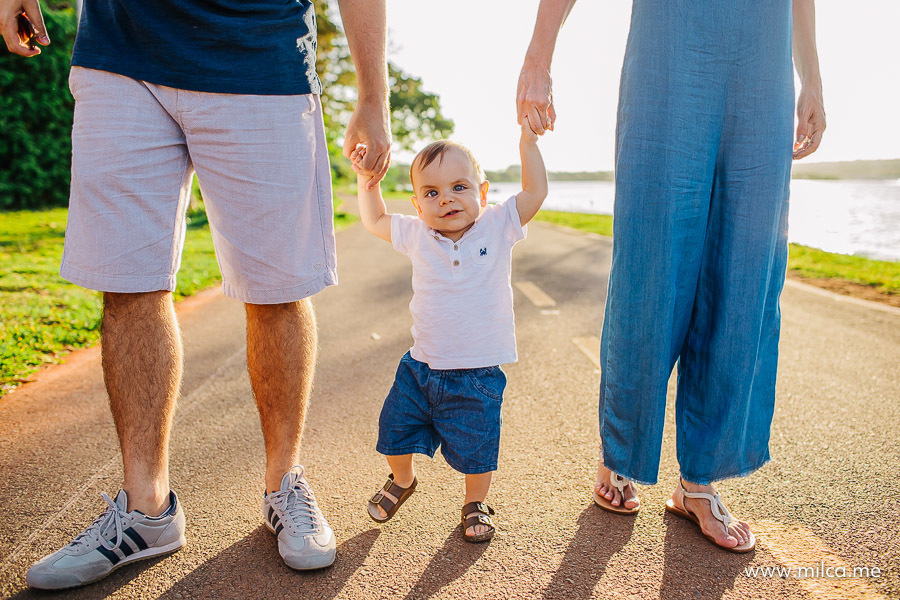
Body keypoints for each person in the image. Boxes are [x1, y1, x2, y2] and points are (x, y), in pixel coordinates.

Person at [1, 0, 391, 588]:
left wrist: (372, 95)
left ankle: (284, 484)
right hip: (121, 53)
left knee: (277, 289)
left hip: (260, 59)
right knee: (129, 284)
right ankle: (145, 510)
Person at [518, 0, 825, 552]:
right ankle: (622, 451)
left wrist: (813, 81)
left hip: (764, 61)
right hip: (670, 46)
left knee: (745, 266)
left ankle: (700, 481)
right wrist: (539, 56)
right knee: (652, 262)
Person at [352, 118, 548, 542]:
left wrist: (527, 142)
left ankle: (475, 503)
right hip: (420, 370)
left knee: (478, 452)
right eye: (432, 193)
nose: (446, 200)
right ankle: (402, 480)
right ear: (418, 204)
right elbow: (375, 220)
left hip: (477, 375)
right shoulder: (416, 233)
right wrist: (367, 181)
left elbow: (535, 192)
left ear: (482, 192)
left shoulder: (498, 226)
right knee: (393, 435)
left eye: (459, 187)